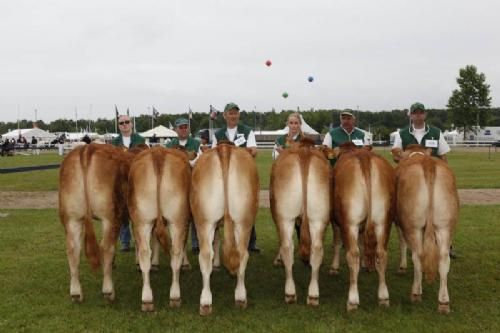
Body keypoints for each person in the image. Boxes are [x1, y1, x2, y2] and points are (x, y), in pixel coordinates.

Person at [391, 102, 455, 258]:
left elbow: (443, 156)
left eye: (421, 113)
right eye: (415, 113)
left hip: (433, 176)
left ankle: (447, 244)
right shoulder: (402, 134)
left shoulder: (435, 132)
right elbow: (395, 156)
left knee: (443, 210)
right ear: (410, 115)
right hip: (412, 179)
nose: (418, 115)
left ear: (425, 115)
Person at [212, 102, 260, 252]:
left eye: (235, 113)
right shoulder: (218, 134)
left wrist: (236, 151)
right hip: (222, 175)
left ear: (239, 115)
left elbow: (253, 150)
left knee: (246, 207)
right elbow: (213, 154)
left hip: (242, 175)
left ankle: (250, 242)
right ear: (225, 115)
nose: (233, 116)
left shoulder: (247, 131)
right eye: (230, 113)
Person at [272, 112, 305, 265]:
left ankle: (305, 248)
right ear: (288, 124)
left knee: (303, 219)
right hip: (284, 182)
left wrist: (285, 153)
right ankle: (282, 250)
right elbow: (274, 158)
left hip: (301, 182)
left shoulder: (305, 140)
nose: (293, 126)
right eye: (291, 123)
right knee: (284, 217)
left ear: (300, 125)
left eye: (296, 123)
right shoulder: (280, 139)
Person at [166, 117, 202, 252]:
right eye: (181, 127)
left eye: (186, 127)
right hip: (176, 186)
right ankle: (179, 244)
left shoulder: (196, 144)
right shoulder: (170, 145)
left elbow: (202, 161)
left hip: (194, 183)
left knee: (196, 214)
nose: (184, 129)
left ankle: (196, 243)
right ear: (175, 129)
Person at [111, 114, 146, 252]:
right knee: (121, 211)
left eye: (127, 122)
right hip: (120, 182)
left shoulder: (140, 139)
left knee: (138, 210)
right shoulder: (114, 143)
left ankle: (139, 239)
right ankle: (125, 242)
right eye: (121, 123)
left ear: (131, 124)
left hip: (137, 180)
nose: (124, 125)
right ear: (119, 126)